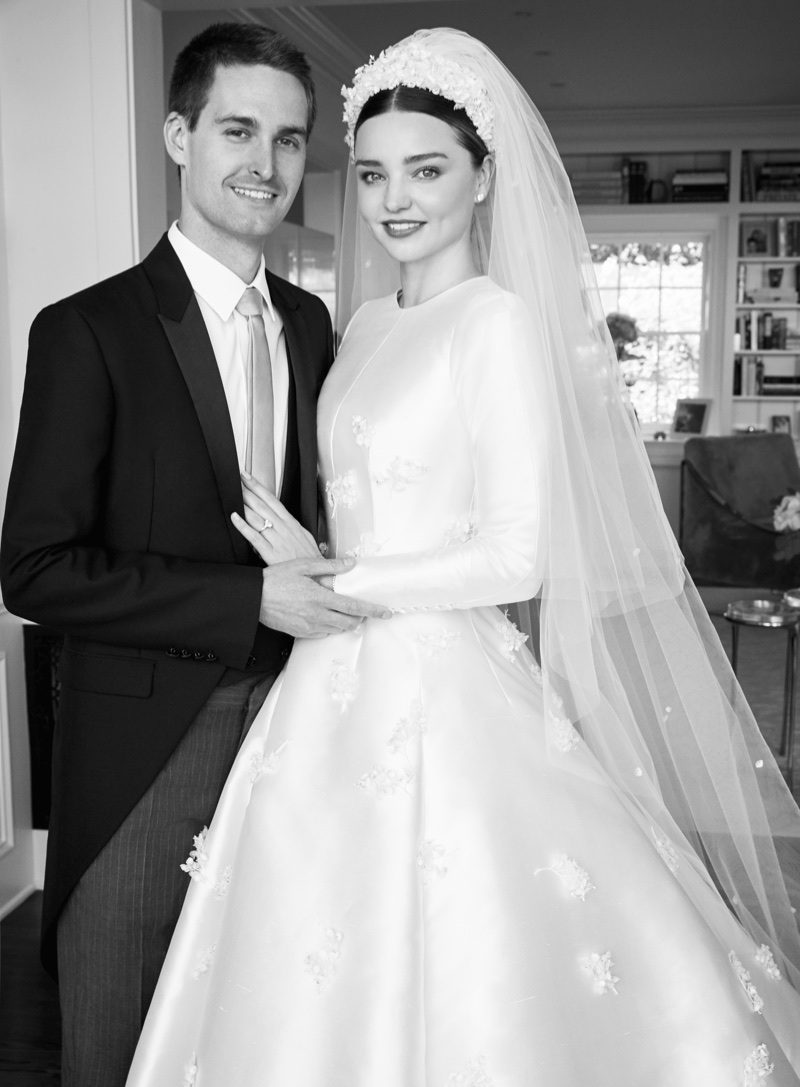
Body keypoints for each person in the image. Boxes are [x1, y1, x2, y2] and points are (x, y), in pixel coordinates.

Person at [127, 29, 800, 1085]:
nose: (396, 199)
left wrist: (333, 577)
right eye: (377, 173)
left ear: (481, 177)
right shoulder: (358, 326)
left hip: (440, 682)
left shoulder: (496, 327)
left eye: (427, 170)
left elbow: (515, 557)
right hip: (327, 683)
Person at [0, 22, 389, 1087]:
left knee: (267, 1031)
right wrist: (246, 599)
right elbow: (32, 569)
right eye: (235, 129)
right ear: (178, 135)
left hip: (303, 730)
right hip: (142, 751)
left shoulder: (315, 326)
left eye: (287, 138)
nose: (263, 164)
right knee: (117, 1034)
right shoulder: (86, 331)